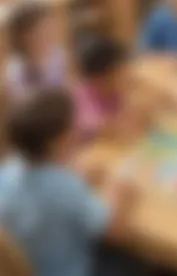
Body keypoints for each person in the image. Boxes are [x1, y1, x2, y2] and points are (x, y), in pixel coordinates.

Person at [0, 88, 143, 276]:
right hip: (65, 270)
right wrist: (123, 192)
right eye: (72, 126)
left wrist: (76, 175)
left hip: (29, 264)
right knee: (140, 261)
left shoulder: (8, 170)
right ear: (57, 141)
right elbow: (113, 232)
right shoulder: (65, 186)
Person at [4, 1, 67, 100]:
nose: (50, 36)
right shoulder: (15, 73)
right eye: (41, 31)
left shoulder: (57, 55)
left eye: (50, 28)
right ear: (23, 38)